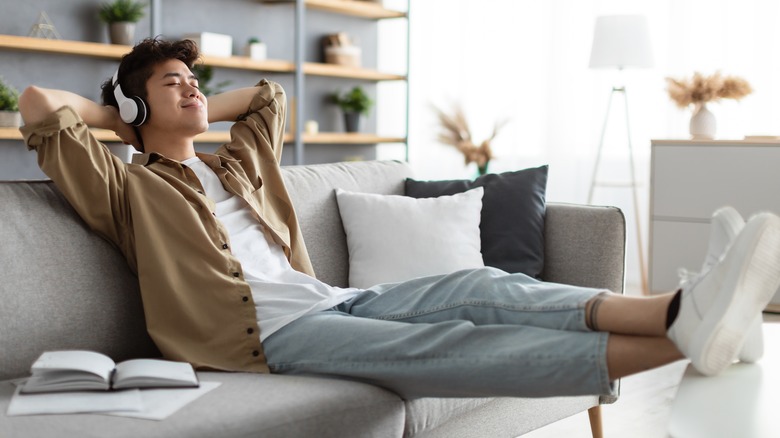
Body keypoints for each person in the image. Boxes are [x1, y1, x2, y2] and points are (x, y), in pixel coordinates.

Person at [18, 38, 780, 400]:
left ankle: (685, 311)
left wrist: (177, 97)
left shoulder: (234, 167)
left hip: (332, 302)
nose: (192, 92)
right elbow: (37, 107)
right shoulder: (129, 188)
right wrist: (123, 114)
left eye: (194, 81)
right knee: (447, 345)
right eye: (174, 84)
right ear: (134, 107)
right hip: (265, 340)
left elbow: (264, 99)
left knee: (487, 285)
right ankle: (689, 339)